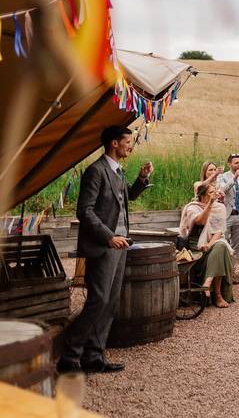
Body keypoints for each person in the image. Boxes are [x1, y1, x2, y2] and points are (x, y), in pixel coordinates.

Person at [58, 126, 152, 375]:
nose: (130, 146)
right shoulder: (95, 171)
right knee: (98, 300)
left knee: (109, 302)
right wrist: (109, 237)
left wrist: (142, 179)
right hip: (103, 245)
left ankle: (94, 356)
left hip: (121, 245)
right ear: (114, 143)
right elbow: (84, 211)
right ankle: (69, 355)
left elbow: (127, 197)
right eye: (128, 142)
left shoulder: (118, 172)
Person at [177, 182, 235, 307]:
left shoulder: (220, 207)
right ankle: (218, 297)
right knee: (222, 250)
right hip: (195, 245)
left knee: (221, 246)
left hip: (212, 243)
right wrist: (209, 204)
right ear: (202, 195)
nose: (214, 194)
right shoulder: (192, 207)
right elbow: (200, 221)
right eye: (210, 192)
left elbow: (218, 231)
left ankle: (208, 284)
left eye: (215, 191)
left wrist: (208, 245)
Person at [218, 153, 239, 282]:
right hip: (227, 215)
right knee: (224, 244)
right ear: (229, 164)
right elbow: (222, 190)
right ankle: (223, 272)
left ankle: (232, 272)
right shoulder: (222, 177)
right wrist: (234, 179)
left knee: (236, 246)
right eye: (236, 163)